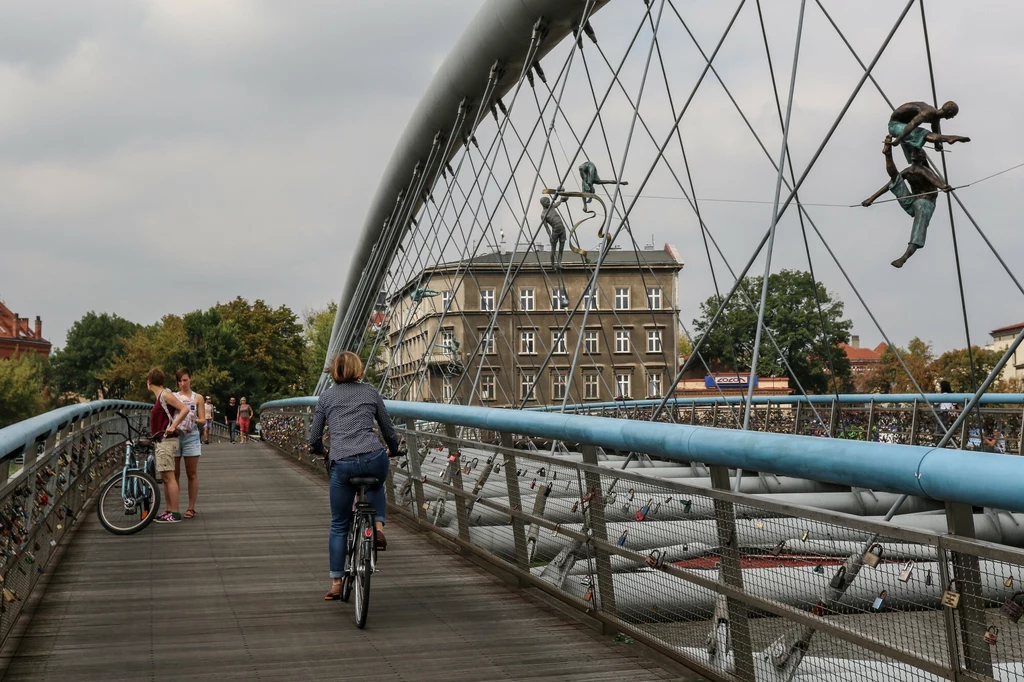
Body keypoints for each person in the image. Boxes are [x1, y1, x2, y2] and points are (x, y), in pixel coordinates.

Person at [309, 351, 399, 601]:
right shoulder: (370, 392)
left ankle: (337, 583)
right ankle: (378, 526)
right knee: (377, 482)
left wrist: (322, 451)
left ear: (334, 372)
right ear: (359, 371)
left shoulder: (326, 397)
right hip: (373, 456)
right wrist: (393, 448)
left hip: (343, 463)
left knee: (339, 524)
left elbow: (314, 437)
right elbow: (388, 429)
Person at [861, 135, 952, 268]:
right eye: (914, 152)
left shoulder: (924, 171)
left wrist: (944, 187)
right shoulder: (908, 171)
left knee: (919, 224)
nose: (915, 154)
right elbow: (890, 184)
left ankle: (904, 257)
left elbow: (936, 181)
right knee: (895, 179)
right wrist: (872, 198)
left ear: (922, 158)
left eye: (918, 152)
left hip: (925, 203)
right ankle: (888, 154)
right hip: (911, 202)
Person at [146, 368, 190, 523]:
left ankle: (175, 513)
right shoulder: (160, 397)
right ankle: (169, 510)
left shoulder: (165, 395)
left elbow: (184, 409)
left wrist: (173, 426)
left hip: (167, 440)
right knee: (165, 477)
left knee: (169, 477)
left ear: (149, 383)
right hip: (162, 441)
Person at [888, 100, 969, 163]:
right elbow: (912, 124)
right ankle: (949, 138)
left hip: (904, 127)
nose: (952, 117)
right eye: (953, 115)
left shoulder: (935, 118)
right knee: (921, 133)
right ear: (950, 113)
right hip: (895, 125)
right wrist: (898, 139)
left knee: (919, 159)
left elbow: (936, 132)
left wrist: (936, 145)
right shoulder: (927, 112)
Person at [174, 368, 204, 519]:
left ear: (190, 379)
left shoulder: (198, 397)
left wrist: (193, 418)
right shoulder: (173, 397)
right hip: (175, 435)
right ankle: (174, 508)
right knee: (174, 474)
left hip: (191, 435)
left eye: (185, 380)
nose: (183, 383)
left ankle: (191, 508)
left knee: (191, 473)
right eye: (180, 381)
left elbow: (203, 420)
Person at [539, 194, 570, 269]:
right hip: (555, 231)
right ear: (543, 203)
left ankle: (559, 263)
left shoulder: (551, 207)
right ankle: (553, 264)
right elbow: (546, 227)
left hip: (562, 229)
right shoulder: (543, 215)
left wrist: (561, 200)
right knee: (553, 249)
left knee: (561, 248)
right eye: (547, 202)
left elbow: (557, 203)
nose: (549, 203)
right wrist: (550, 236)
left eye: (549, 202)